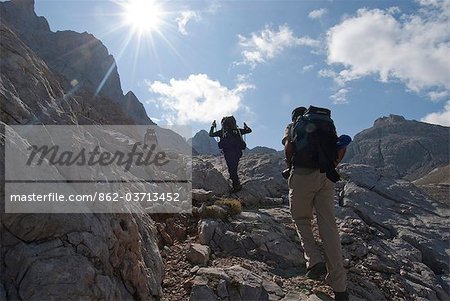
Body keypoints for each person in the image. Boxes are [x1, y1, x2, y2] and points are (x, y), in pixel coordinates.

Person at [284, 106, 350, 301]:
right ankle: (340, 288)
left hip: (302, 174)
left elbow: (289, 147)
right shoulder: (326, 124)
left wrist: (291, 166)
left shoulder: (293, 125)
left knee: (301, 219)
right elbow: (340, 148)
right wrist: (332, 165)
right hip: (327, 176)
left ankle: (314, 260)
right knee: (329, 228)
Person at [209, 116, 251, 192]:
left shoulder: (222, 132)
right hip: (237, 152)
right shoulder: (237, 130)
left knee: (232, 169)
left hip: (228, 152)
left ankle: (236, 185)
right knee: (233, 168)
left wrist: (213, 126)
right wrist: (246, 127)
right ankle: (235, 184)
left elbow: (211, 134)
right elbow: (249, 131)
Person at [282, 106, 307, 179]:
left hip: (301, 171)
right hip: (325, 175)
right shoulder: (320, 125)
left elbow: (288, 144)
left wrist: (289, 166)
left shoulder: (291, 126)